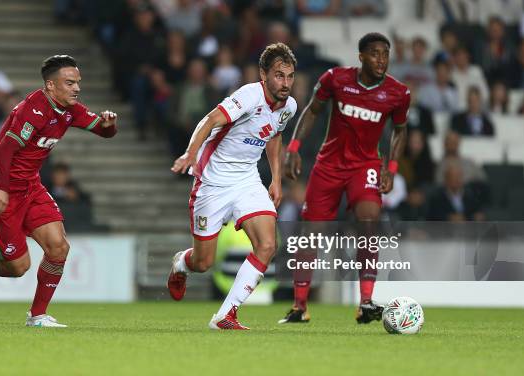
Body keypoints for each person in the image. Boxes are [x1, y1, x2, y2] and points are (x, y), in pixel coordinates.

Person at [0, 55, 118, 327]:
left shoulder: (70, 109)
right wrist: (3, 189)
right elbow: (6, 149)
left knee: (58, 247)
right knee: (17, 267)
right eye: (69, 83)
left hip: (31, 187)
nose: (76, 88)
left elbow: (105, 133)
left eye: (78, 82)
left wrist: (108, 122)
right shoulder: (33, 109)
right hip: (1, 189)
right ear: (50, 85)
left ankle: (38, 315)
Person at [166, 43, 297, 330]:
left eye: (289, 76)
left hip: (247, 179)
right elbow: (211, 119)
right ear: (264, 75)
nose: (285, 83)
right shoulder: (249, 95)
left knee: (267, 244)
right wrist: (190, 154)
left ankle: (226, 314)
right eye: (279, 75)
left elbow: (274, 137)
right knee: (203, 263)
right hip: (212, 181)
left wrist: (275, 179)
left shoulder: (289, 106)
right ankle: (181, 263)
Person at [281, 33, 409, 324]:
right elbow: (312, 111)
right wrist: (294, 149)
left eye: (385, 54)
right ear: (361, 56)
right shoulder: (335, 79)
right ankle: (300, 306)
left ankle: (365, 302)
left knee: (369, 220)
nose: (381, 59)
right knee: (310, 233)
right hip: (329, 166)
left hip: (365, 166)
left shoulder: (398, 93)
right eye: (374, 53)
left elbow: (400, 129)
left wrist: (392, 167)